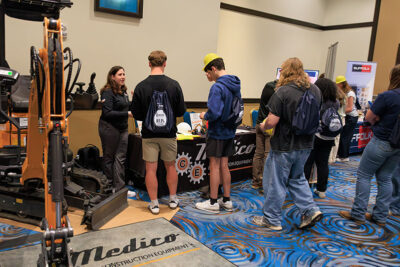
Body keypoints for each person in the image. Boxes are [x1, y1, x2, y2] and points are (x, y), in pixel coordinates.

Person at [252, 57, 323, 230]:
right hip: (306, 144)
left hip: (284, 145)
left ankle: (272, 220)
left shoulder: (283, 91)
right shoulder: (315, 90)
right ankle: (311, 210)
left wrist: (263, 125)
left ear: (285, 71)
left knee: (275, 182)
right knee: (297, 178)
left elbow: (272, 121)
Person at [339, 64, 400, 226]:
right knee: (386, 179)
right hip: (398, 146)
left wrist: (376, 118)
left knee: (364, 175)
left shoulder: (388, 96)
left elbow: (370, 117)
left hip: (381, 141)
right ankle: (380, 217)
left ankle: (358, 213)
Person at [131, 51, 186, 214]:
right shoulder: (174, 84)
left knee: (150, 169)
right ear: (165, 63)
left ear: (149, 64)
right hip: (169, 134)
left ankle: (154, 204)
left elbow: (137, 114)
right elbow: (180, 111)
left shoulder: (141, 86)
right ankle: (173, 199)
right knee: (170, 167)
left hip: (149, 134)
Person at [195, 53, 241, 213]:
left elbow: (214, 113)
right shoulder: (235, 83)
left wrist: (203, 115)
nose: (207, 76)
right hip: (230, 131)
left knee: (214, 166)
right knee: (224, 165)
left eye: (207, 72)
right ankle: (227, 200)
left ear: (213, 68)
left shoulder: (217, 87)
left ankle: (213, 202)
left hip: (217, 132)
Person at [304, 78, 340, 198]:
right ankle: (322, 190)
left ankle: (304, 189)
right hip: (329, 137)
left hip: (316, 135)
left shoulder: (317, 100)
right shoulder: (336, 102)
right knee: (323, 164)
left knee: (308, 163)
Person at [99, 66, 132, 193]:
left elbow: (125, 108)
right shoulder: (107, 91)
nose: (123, 76)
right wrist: (127, 114)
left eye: (124, 74)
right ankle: (109, 186)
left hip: (123, 129)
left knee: (120, 158)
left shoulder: (123, 91)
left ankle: (120, 188)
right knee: (109, 158)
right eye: (120, 74)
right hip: (109, 128)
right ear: (112, 76)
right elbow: (107, 113)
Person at [251, 80, 277, 190]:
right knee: (267, 155)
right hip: (269, 126)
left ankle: (256, 181)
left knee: (258, 154)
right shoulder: (278, 92)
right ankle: (265, 183)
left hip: (258, 123)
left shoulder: (267, 86)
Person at [336, 75, 358, 162]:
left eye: (338, 84)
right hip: (347, 116)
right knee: (343, 136)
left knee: (345, 137)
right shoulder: (345, 92)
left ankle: (344, 156)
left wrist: (340, 112)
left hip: (351, 117)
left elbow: (349, 108)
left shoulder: (350, 93)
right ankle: (341, 154)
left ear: (342, 84)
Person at [329, 84, 347, 163]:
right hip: (341, 120)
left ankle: (329, 158)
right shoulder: (344, 97)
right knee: (337, 140)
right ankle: (333, 158)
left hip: (335, 120)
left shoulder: (335, 99)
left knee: (331, 139)